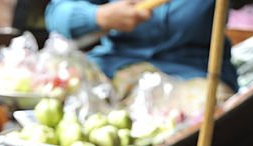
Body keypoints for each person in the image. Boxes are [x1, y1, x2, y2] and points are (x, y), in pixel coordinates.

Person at [44, 0, 238, 108]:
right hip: (115, 65)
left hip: (193, 72)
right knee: (54, 92)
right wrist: (100, 16)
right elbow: (56, 14)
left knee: (207, 109)